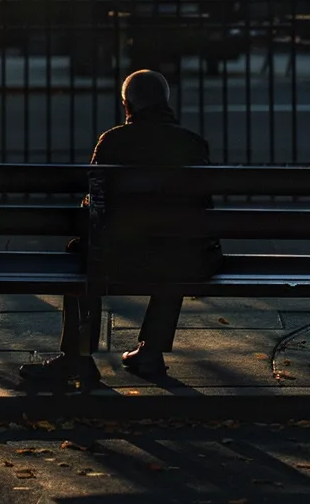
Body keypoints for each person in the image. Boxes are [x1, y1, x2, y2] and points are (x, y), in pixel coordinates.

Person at [19, 69, 213, 383]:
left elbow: (92, 207)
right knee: (179, 242)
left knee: (81, 252)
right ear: (166, 102)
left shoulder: (113, 141)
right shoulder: (193, 144)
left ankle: (78, 357)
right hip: (180, 261)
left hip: (117, 256)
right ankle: (150, 351)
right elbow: (203, 210)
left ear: (127, 106)